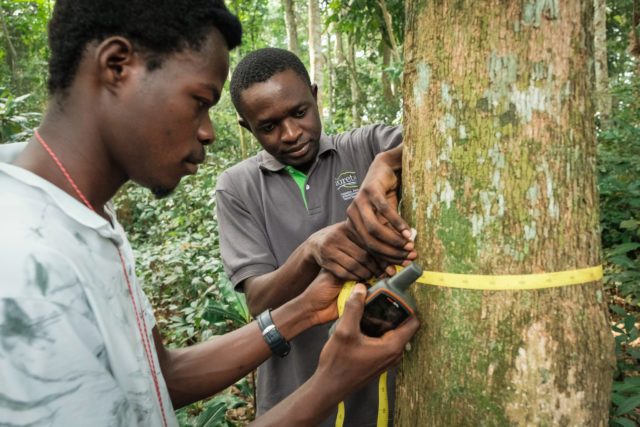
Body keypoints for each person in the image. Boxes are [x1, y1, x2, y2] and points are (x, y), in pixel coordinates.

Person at [0, 1, 419, 426]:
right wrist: (329, 385)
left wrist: (307, 310)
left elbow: (155, 376)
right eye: (200, 101)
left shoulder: (80, 218)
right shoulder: (22, 261)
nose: (208, 132)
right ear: (116, 66)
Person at [217, 48, 417, 426]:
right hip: (292, 394)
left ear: (315, 95)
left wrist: (386, 163)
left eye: (299, 112)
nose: (291, 134)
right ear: (247, 128)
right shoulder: (238, 187)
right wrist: (310, 251)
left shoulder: (367, 146)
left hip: (383, 389)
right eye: (269, 126)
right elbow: (259, 299)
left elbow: (442, 144)